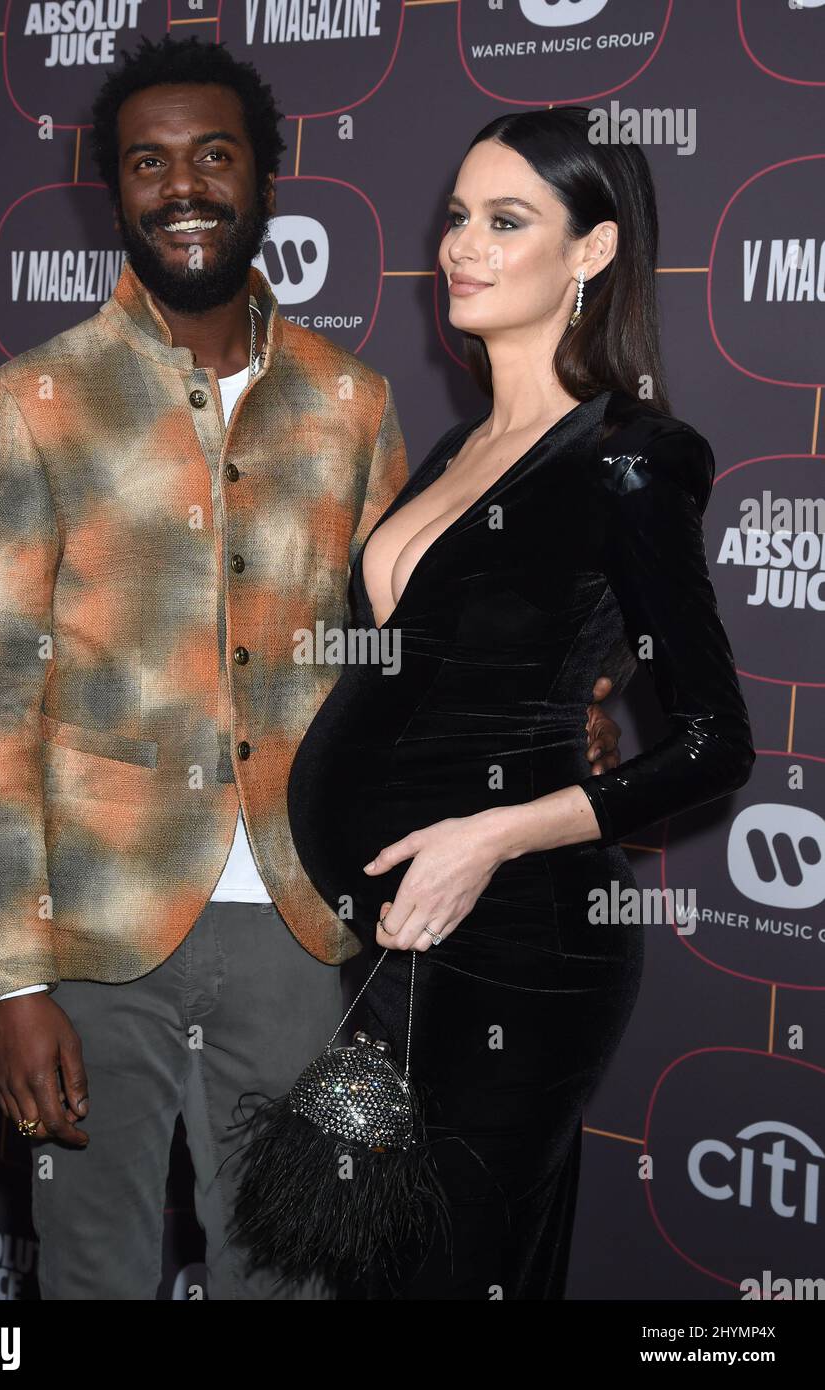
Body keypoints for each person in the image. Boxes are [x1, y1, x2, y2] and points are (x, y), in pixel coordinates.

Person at [0, 36, 626, 1301]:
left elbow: (408, 652)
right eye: (148, 162)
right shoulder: (32, 400)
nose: (183, 185)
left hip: (306, 927)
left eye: (213, 154)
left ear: (269, 173)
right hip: (93, 931)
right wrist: (14, 982)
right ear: (115, 190)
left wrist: (557, 717)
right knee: (89, 1273)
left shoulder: (351, 400)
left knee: (289, 1274)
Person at [286, 106, 756, 1300]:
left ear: (591, 253)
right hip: (393, 939)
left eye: (506, 220)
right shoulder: (455, 448)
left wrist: (490, 834)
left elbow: (712, 743)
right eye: (455, 217)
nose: (460, 245)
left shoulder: (630, 456)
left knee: (447, 1271)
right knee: (378, 1264)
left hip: (517, 944)